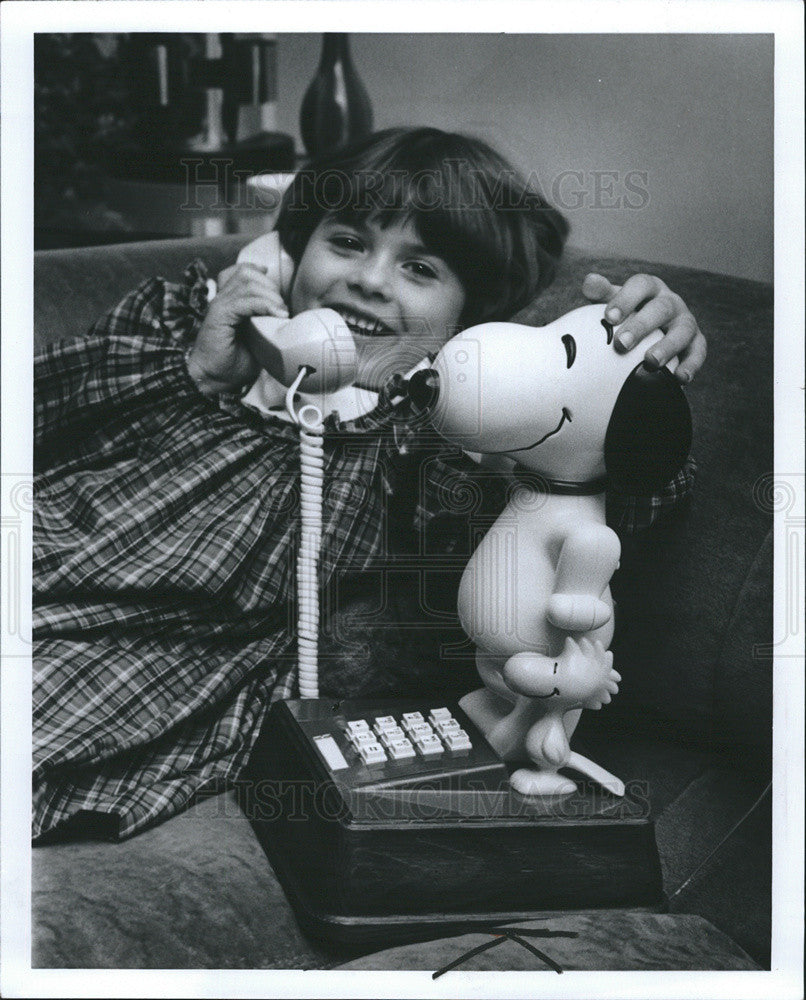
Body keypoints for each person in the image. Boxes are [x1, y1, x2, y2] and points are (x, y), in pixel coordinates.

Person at [33, 127, 704, 841]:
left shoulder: (423, 445)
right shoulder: (184, 326)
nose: (371, 280)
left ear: (466, 323)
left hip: (145, 655)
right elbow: (43, 412)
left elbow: (604, 494)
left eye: (420, 269)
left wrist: (636, 374)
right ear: (292, 251)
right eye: (348, 242)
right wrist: (197, 372)